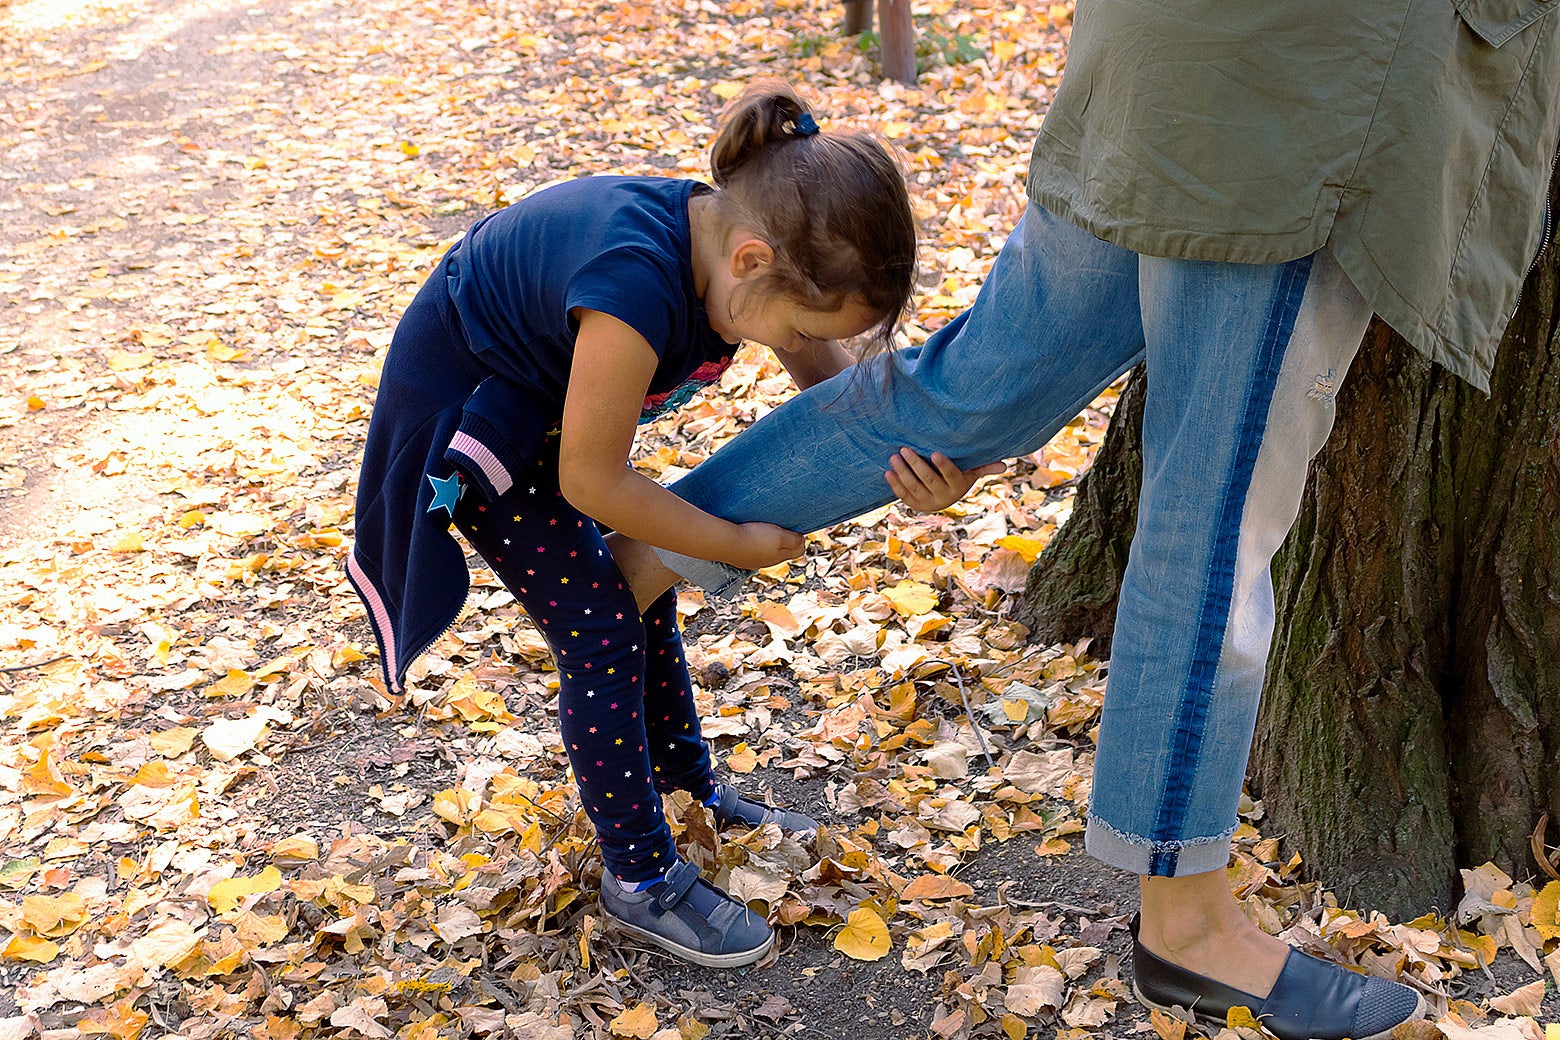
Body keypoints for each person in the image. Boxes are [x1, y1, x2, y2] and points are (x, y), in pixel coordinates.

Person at [605, 2, 1560, 1037]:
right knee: (1212, 519)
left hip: (1158, 61)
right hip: (1296, 103)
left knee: (964, 387)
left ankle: (637, 552)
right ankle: (1186, 925)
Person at [345, 82, 994, 968]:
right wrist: (727, 545)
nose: (798, 346)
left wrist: (910, 467)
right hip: (478, 414)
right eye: (799, 328)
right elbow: (589, 479)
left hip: (554, 406)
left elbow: (834, 394)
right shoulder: (634, 291)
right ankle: (639, 876)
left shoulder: (739, 251)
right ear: (753, 262)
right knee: (603, 622)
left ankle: (687, 789)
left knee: (640, 596)